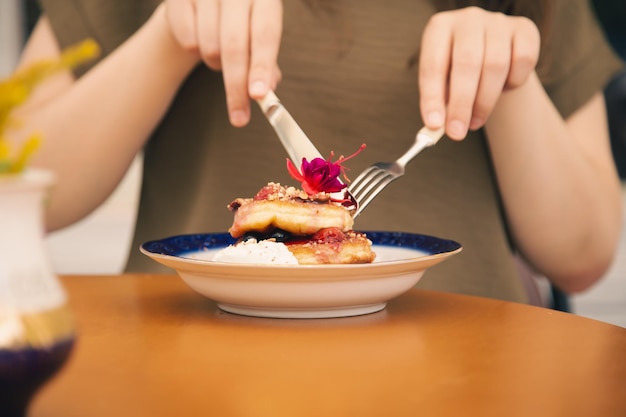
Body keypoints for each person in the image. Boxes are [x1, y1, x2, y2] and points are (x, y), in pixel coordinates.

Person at [8, 0, 623, 304]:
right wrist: (171, 34)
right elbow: (18, 184)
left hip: (472, 380)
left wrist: (508, 81)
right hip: (184, 379)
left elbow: (584, 254)